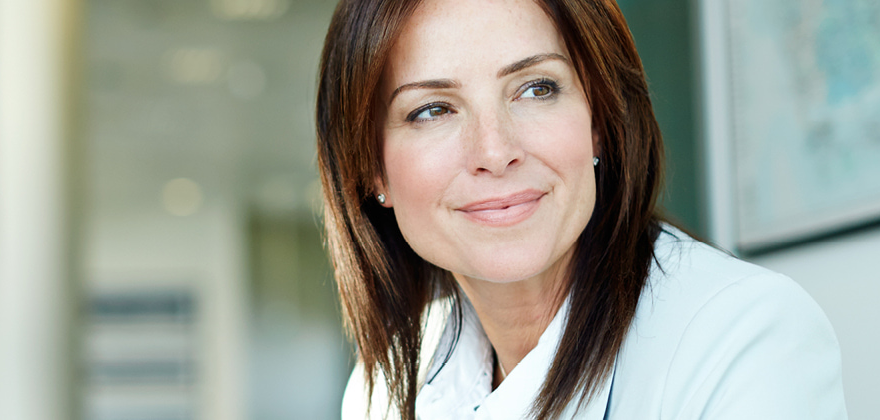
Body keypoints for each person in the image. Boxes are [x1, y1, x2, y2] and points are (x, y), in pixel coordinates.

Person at [313, 0, 848, 419]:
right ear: (371, 169)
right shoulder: (380, 389)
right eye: (432, 110)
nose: (495, 152)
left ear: (598, 122)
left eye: (536, 88)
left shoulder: (743, 336)